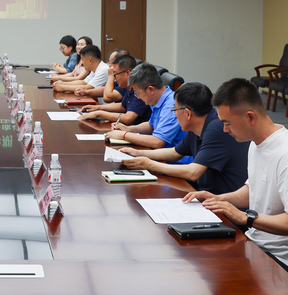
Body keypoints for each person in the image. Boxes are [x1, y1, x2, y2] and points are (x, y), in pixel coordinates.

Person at [183, 78, 288, 291]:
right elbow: (253, 190)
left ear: (250, 117)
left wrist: (245, 218)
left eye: (227, 123)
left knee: (215, 281)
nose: (224, 130)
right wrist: (218, 199)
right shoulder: (256, 144)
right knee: (198, 259)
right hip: (260, 246)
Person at [118, 82, 249, 194]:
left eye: (175, 110)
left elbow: (193, 172)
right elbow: (175, 153)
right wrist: (138, 153)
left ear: (187, 113)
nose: (175, 115)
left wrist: (149, 164)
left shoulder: (216, 129)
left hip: (224, 202)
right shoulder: (197, 125)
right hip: (205, 193)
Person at [103, 63, 189, 161]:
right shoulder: (157, 101)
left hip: (174, 163)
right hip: (158, 156)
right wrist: (129, 129)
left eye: (138, 93)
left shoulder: (171, 105)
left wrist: (124, 135)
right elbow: (151, 125)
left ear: (150, 89)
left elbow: (157, 142)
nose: (138, 97)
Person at [78, 55, 150, 126]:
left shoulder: (140, 89)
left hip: (137, 131)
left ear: (128, 73)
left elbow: (128, 118)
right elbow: (122, 107)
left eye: (115, 74)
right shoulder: (129, 88)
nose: (114, 78)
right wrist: (97, 108)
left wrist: (99, 113)